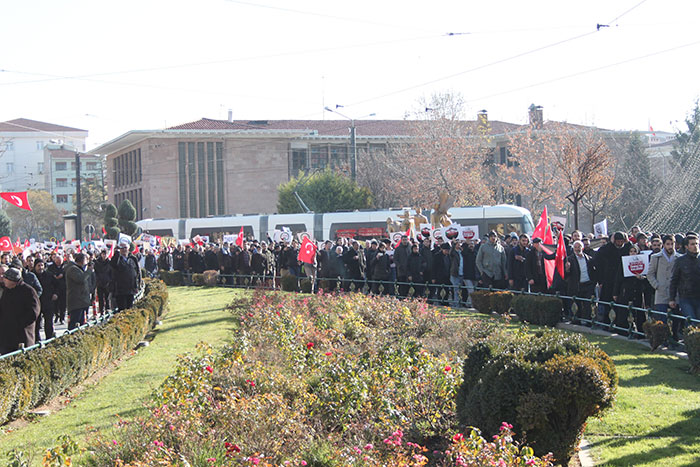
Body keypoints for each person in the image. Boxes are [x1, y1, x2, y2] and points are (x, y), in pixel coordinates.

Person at [648, 235, 682, 340]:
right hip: (661, 293)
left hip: (675, 293)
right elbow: (650, 274)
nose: (670, 246)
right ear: (663, 245)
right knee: (662, 319)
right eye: (668, 244)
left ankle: (674, 338)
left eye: (672, 244)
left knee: (675, 319)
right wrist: (657, 285)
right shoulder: (656, 257)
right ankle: (664, 339)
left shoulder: (680, 258)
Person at [592, 232, 631, 324]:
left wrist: (628, 241)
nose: (620, 243)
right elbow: (597, 261)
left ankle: (619, 323)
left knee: (619, 304)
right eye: (618, 241)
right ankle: (606, 323)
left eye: (622, 241)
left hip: (621, 281)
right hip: (608, 280)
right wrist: (600, 280)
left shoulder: (626, 248)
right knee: (607, 303)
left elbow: (633, 249)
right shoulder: (607, 249)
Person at [0, 267, 40, 354]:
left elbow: (33, 313)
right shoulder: (7, 291)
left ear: (13, 280)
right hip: (6, 336)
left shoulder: (29, 291)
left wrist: (18, 323)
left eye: (5, 278)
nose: (3, 280)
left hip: (22, 335)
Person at [613, 244, 647, 336]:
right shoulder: (623, 262)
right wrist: (615, 293)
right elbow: (618, 278)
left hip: (638, 289)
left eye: (634, 251)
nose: (633, 253)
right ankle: (622, 330)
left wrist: (641, 278)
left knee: (639, 311)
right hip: (626, 289)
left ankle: (641, 332)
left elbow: (646, 278)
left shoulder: (643, 261)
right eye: (631, 251)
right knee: (623, 310)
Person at [669, 233, 700, 329]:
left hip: (699, 296)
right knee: (691, 321)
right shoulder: (680, 261)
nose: (695, 246)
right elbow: (674, 280)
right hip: (686, 297)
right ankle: (690, 342)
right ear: (686, 246)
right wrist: (672, 298)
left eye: (696, 244)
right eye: (692, 244)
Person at [565, 240, 597, 324]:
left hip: (587, 285)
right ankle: (576, 321)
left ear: (582, 248)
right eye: (575, 247)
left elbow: (593, 272)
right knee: (576, 304)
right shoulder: (569, 259)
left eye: (578, 247)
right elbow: (565, 275)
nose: (577, 249)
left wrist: (593, 282)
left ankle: (588, 321)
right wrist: (567, 269)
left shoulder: (589, 258)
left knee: (588, 304)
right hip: (576, 286)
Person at [65, 253, 95, 330]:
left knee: (82, 322)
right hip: (76, 301)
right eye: (86, 260)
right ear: (82, 260)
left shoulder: (80, 269)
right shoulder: (73, 269)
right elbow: (80, 279)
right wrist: (89, 270)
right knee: (74, 321)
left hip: (82, 301)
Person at [111, 241, 142, 311]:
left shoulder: (133, 259)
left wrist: (137, 285)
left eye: (125, 247)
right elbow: (113, 264)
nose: (124, 249)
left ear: (128, 248)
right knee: (122, 309)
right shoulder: (117, 258)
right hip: (120, 290)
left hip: (131, 289)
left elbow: (137, 272)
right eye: (121, 248)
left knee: (130, 309)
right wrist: (116, 253)